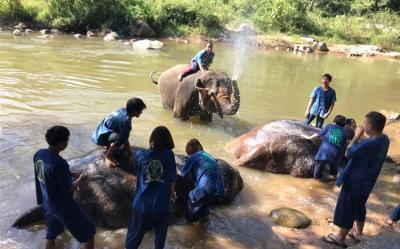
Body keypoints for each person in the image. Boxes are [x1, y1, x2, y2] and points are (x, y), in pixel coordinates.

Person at [323, 111, 390, 248]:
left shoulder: (368, 144)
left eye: (365, 123)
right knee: (359, 206)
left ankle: (340, 238)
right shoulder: (385, 139)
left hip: (355, 180)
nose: (362, 125)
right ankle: (359, 234)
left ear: (370, 126)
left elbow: (349, 152)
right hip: (369, 181)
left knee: (348, 206)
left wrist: (356, 136)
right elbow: (367, 149)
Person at [34, 126, 96, 249]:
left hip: (48, 202)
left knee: (51, 234)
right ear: (61, 144)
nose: (68, 142)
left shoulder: (39, 154)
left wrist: (72, 173)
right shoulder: (58, 162)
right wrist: (81, 179)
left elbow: (48, 174)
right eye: (67, 140)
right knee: (89, 232)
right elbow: (70, 188)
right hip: (63, 206)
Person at [125, 126, 177, 249]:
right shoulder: (169, 155)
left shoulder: (140, 154)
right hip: (162, 206)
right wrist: (173, 193)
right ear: (168, 140)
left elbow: (135, 167)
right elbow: (172, 178)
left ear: (152, 139)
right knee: (159, 241)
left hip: (142, 204)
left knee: (133, 240)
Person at [92, 97, 146, 168]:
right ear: (134, 111)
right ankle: (109, 155)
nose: (141, 112)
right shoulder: (125, 121)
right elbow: (125, 139)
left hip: (98, 132)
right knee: (121, 138)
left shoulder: (122, 110)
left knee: (120, 137)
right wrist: (129, 154)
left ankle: (108, 146)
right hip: (101, 138)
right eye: (140, 111)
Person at [179, 139, 224, 222]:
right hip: (220, 191)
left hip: (206, 190)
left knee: (191, 199)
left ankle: (190, 227)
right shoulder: (210, 156)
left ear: (190, 150)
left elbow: (182, 174)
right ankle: (203, 226)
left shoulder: (192, 157)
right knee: (204, 208)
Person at [303, 115, 348, 181]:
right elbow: (344, 145)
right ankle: (333, 179)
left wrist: (309, 137)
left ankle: (319, 179)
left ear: (334, 122)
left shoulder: (329, 126)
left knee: (316, 176)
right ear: (344, 125)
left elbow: (318, 134)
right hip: (336, 155)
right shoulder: (345, 132)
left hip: (323, 154)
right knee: (334, 172)